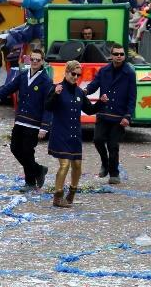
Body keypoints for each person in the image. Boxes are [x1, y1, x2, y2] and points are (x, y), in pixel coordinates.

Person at [0, 49, 52, 193]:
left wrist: (44, 126)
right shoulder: (23, 75)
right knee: (15, 148)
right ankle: (38, 169)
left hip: (34, 123)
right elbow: (7, 88)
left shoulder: (46, 81)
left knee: (27, 151)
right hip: (20, 120)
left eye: (38, 60)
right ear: (29, 60)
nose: (35, 62)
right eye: (33, 59)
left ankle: (30, 182)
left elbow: (48, 105)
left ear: (43, 61)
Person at [45, 60, 105, 207]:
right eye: (73, 74)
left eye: (78, 75)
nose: (76, 77)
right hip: (60, 132)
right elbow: (47, 106)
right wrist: (55, 94)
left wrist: (101, 102)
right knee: (64, 164)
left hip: (74, 134)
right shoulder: (57, 88)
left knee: (77, 165)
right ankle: (58, 197)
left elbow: (89, 110)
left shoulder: (79, 92)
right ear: (66, 73)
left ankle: (71, 194)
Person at [84, 43, 136, 184]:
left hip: (119, 116)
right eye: (116, 54)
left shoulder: (129, 73)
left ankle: (114, 173)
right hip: (103, 113)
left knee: (113, 145)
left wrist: (128, 116)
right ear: (111, 56)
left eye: (121, 54)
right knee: (98, 140)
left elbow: (132, 97)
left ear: (124, 56)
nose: (119, 57)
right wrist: (85, 91)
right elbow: (94, 84)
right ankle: (105, 163)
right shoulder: (104, 71)